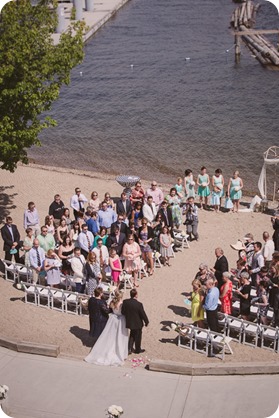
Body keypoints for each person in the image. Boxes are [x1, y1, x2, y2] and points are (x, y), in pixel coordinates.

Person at [84, 290, 129, 366]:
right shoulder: (122, 304)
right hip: (120, 320)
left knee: (111, 336)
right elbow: (124, 312)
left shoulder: (112, 302)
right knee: (120, 336)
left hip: (113, 319)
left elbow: (110, 310)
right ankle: (120, 352)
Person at [122, 288, 149, 354]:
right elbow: (142, 314)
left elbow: (123, 312)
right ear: (136, 295)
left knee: (132, 335)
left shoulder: (125, 302)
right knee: (138, 336)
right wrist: (146, 321)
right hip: (137, 323)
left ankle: (129, 348)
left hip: (130, 322)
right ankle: (137, 349)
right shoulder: (139, 304)